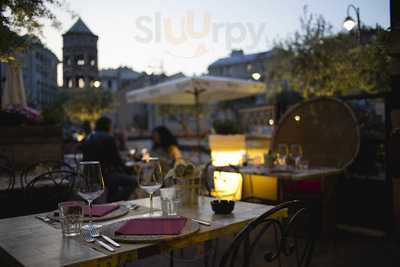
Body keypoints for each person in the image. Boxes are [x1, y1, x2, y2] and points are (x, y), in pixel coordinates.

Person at [82, 116, 137, 202]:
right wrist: (129, 170)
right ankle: (113, 201)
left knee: (117, 179)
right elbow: (117, 161)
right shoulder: (108, 138)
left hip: (88, 176)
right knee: (134, 181)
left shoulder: (89, 137)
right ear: (107, 125)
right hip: (105, 176)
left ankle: (112, 199)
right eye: (111, 125)